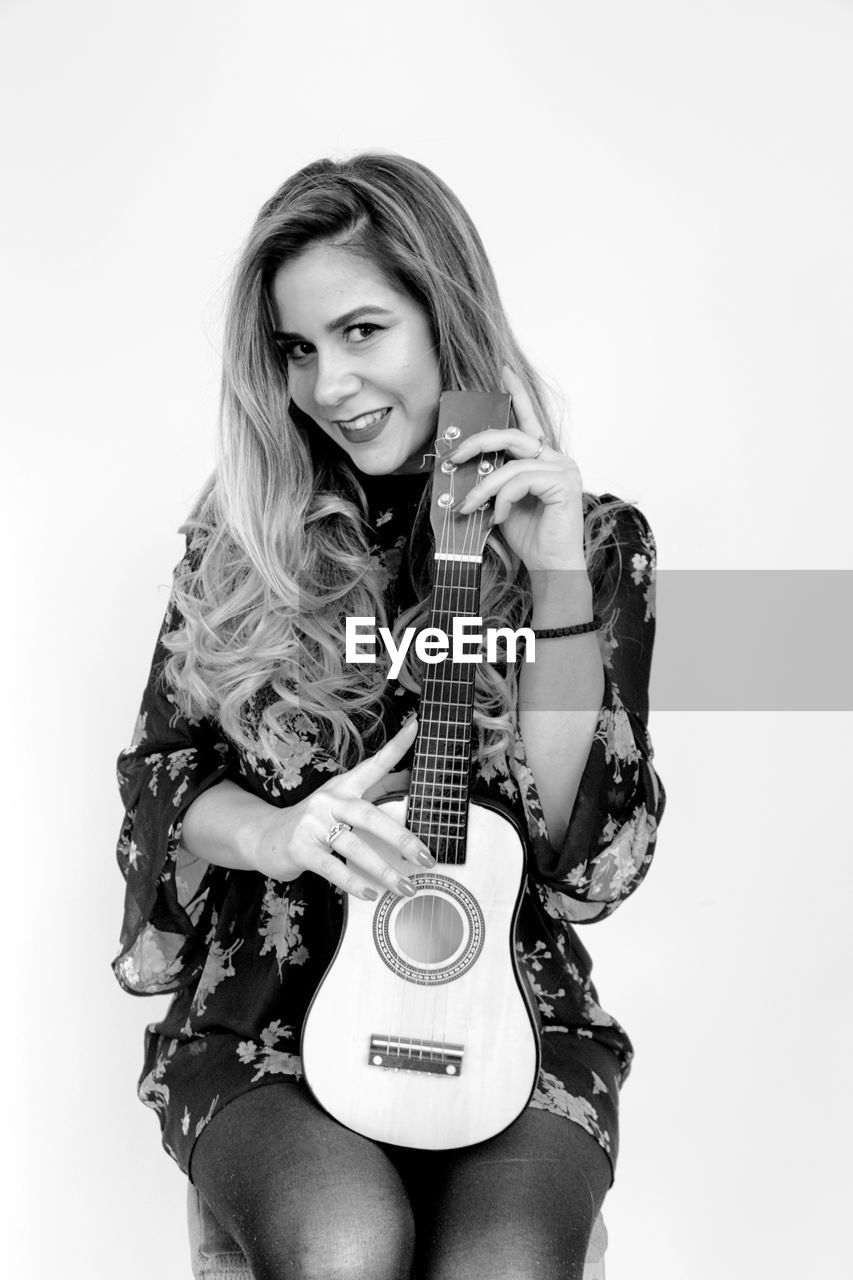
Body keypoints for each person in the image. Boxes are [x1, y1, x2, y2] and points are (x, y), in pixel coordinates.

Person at [112, 152, 665, 1280]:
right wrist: (275, 832)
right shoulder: (245, 536)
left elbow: (586, 864)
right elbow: (162, 774)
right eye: (297, 348)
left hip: (511, 1011)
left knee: (505, 1262)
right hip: (265, 1016)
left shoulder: (595, 543)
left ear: (442, 314)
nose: (328, 384)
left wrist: (555, 583)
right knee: (346, 1241)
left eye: (363, 330)